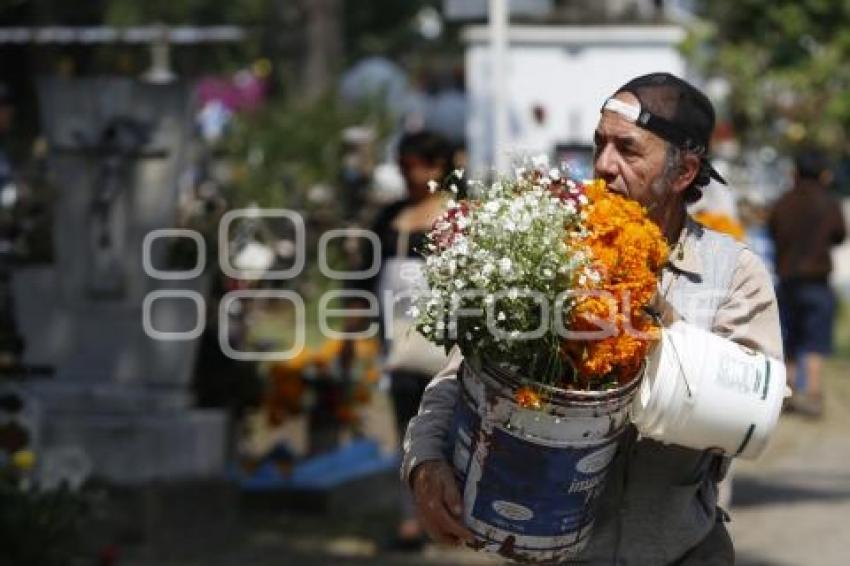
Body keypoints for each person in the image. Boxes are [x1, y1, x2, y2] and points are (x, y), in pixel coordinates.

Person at [402, 73, 782, 564]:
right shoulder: (552, 250)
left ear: (684, 171)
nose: (603, 165)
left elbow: (750, 413)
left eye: (628, 149)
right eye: (599, 143)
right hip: (557, 551)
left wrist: (655, 329)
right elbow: (463, 374)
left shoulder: (734, 274)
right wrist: (425, 461)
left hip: (683, 551)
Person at [353, 130, 454, 549]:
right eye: (404, 166)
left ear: (437, 166)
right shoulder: (389, 216)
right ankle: (411, 513)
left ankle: (451, 512)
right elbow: (362, 274)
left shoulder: (457, 214)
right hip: (397, 338)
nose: (407, 175)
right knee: (407, 425)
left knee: (449, 425)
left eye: (413, 165)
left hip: (446, 341)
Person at [769, 149, 846, 418]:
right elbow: (839, 236)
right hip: (817, 282)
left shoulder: (783, 202)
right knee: (814, 340)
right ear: (824, 174)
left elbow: (772, 232)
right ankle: (812, 396)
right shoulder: (829, 202)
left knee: (789, 338)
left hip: (787, 280)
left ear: (796, 172)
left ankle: (787, 393)